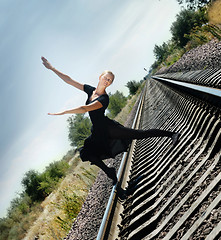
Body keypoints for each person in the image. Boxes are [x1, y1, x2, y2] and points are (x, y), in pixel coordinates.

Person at [42, 57, 180, 185]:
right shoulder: (91, 90)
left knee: (140, 134)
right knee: (87, 153)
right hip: (97, 131)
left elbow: (85, 109)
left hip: (109, 129)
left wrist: (64, 112)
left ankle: (171, 134)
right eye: (106, 78)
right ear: (100, 77)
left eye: (110, 80)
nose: (107, 81)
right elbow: (69, 80)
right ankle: (109, 171)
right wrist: (52, 68)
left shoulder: (104, 99)